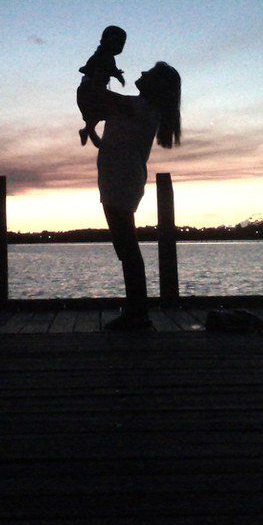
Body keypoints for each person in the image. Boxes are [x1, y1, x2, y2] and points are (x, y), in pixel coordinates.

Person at [84, 61, 181, 330]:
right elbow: (111, 143)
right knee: (125, 247)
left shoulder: (139, 107)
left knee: (126, 247)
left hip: (121, 182)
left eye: (149, 73)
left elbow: (95, 95)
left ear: (156, 85)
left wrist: (99, 67)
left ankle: (137, 314)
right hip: (118, 181)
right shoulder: (136, 108)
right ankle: (136, 311)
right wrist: (93, 132)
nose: (142, 73)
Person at [76, 25, 127, 146]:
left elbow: (110, 68)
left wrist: (116, 74)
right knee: (100, 111)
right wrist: (117, 75)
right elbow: (105, 68)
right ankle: (89, 131)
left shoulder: (105, 56)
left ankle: (87, 131)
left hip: (94, 88)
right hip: (91, 89)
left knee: (97, 113)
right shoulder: (102, 55)